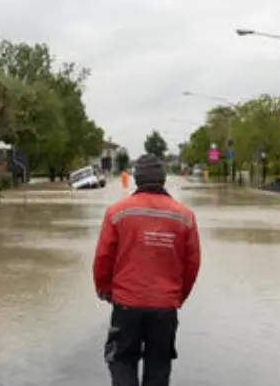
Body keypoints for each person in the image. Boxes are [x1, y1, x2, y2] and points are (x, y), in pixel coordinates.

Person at [93, 154, 202, 386]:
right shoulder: (185, 216)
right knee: (158, 366)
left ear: (137, 180)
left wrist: (105, 290)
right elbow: (192, 264)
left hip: (126, 303)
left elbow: (103, 258)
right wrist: (176, 297)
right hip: (165, 306)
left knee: (122, 359)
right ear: (163, 181)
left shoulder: (117, 212)